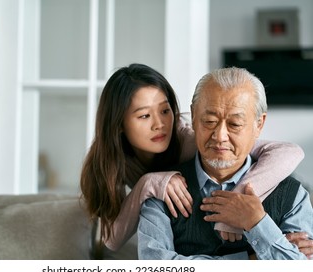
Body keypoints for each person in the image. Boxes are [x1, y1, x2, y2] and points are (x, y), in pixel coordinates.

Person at [80, 63, 306, 253]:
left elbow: (289, 152)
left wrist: (237, 202)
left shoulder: (191, 138)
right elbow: (112, 239)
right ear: (119, 124)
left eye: (165, 110)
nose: (160, 124)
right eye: (144, 115)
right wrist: (147, 183)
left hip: (269, 182)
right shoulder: (107, 161)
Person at [137, 66, 313, 260]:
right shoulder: (164, 192)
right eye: (210, 121)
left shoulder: (292, 194)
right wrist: (253, 258)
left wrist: (256, 221)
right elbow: (155, 270)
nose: (220, 136)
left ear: (259, 124)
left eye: (234, 124)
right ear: (194, 117)